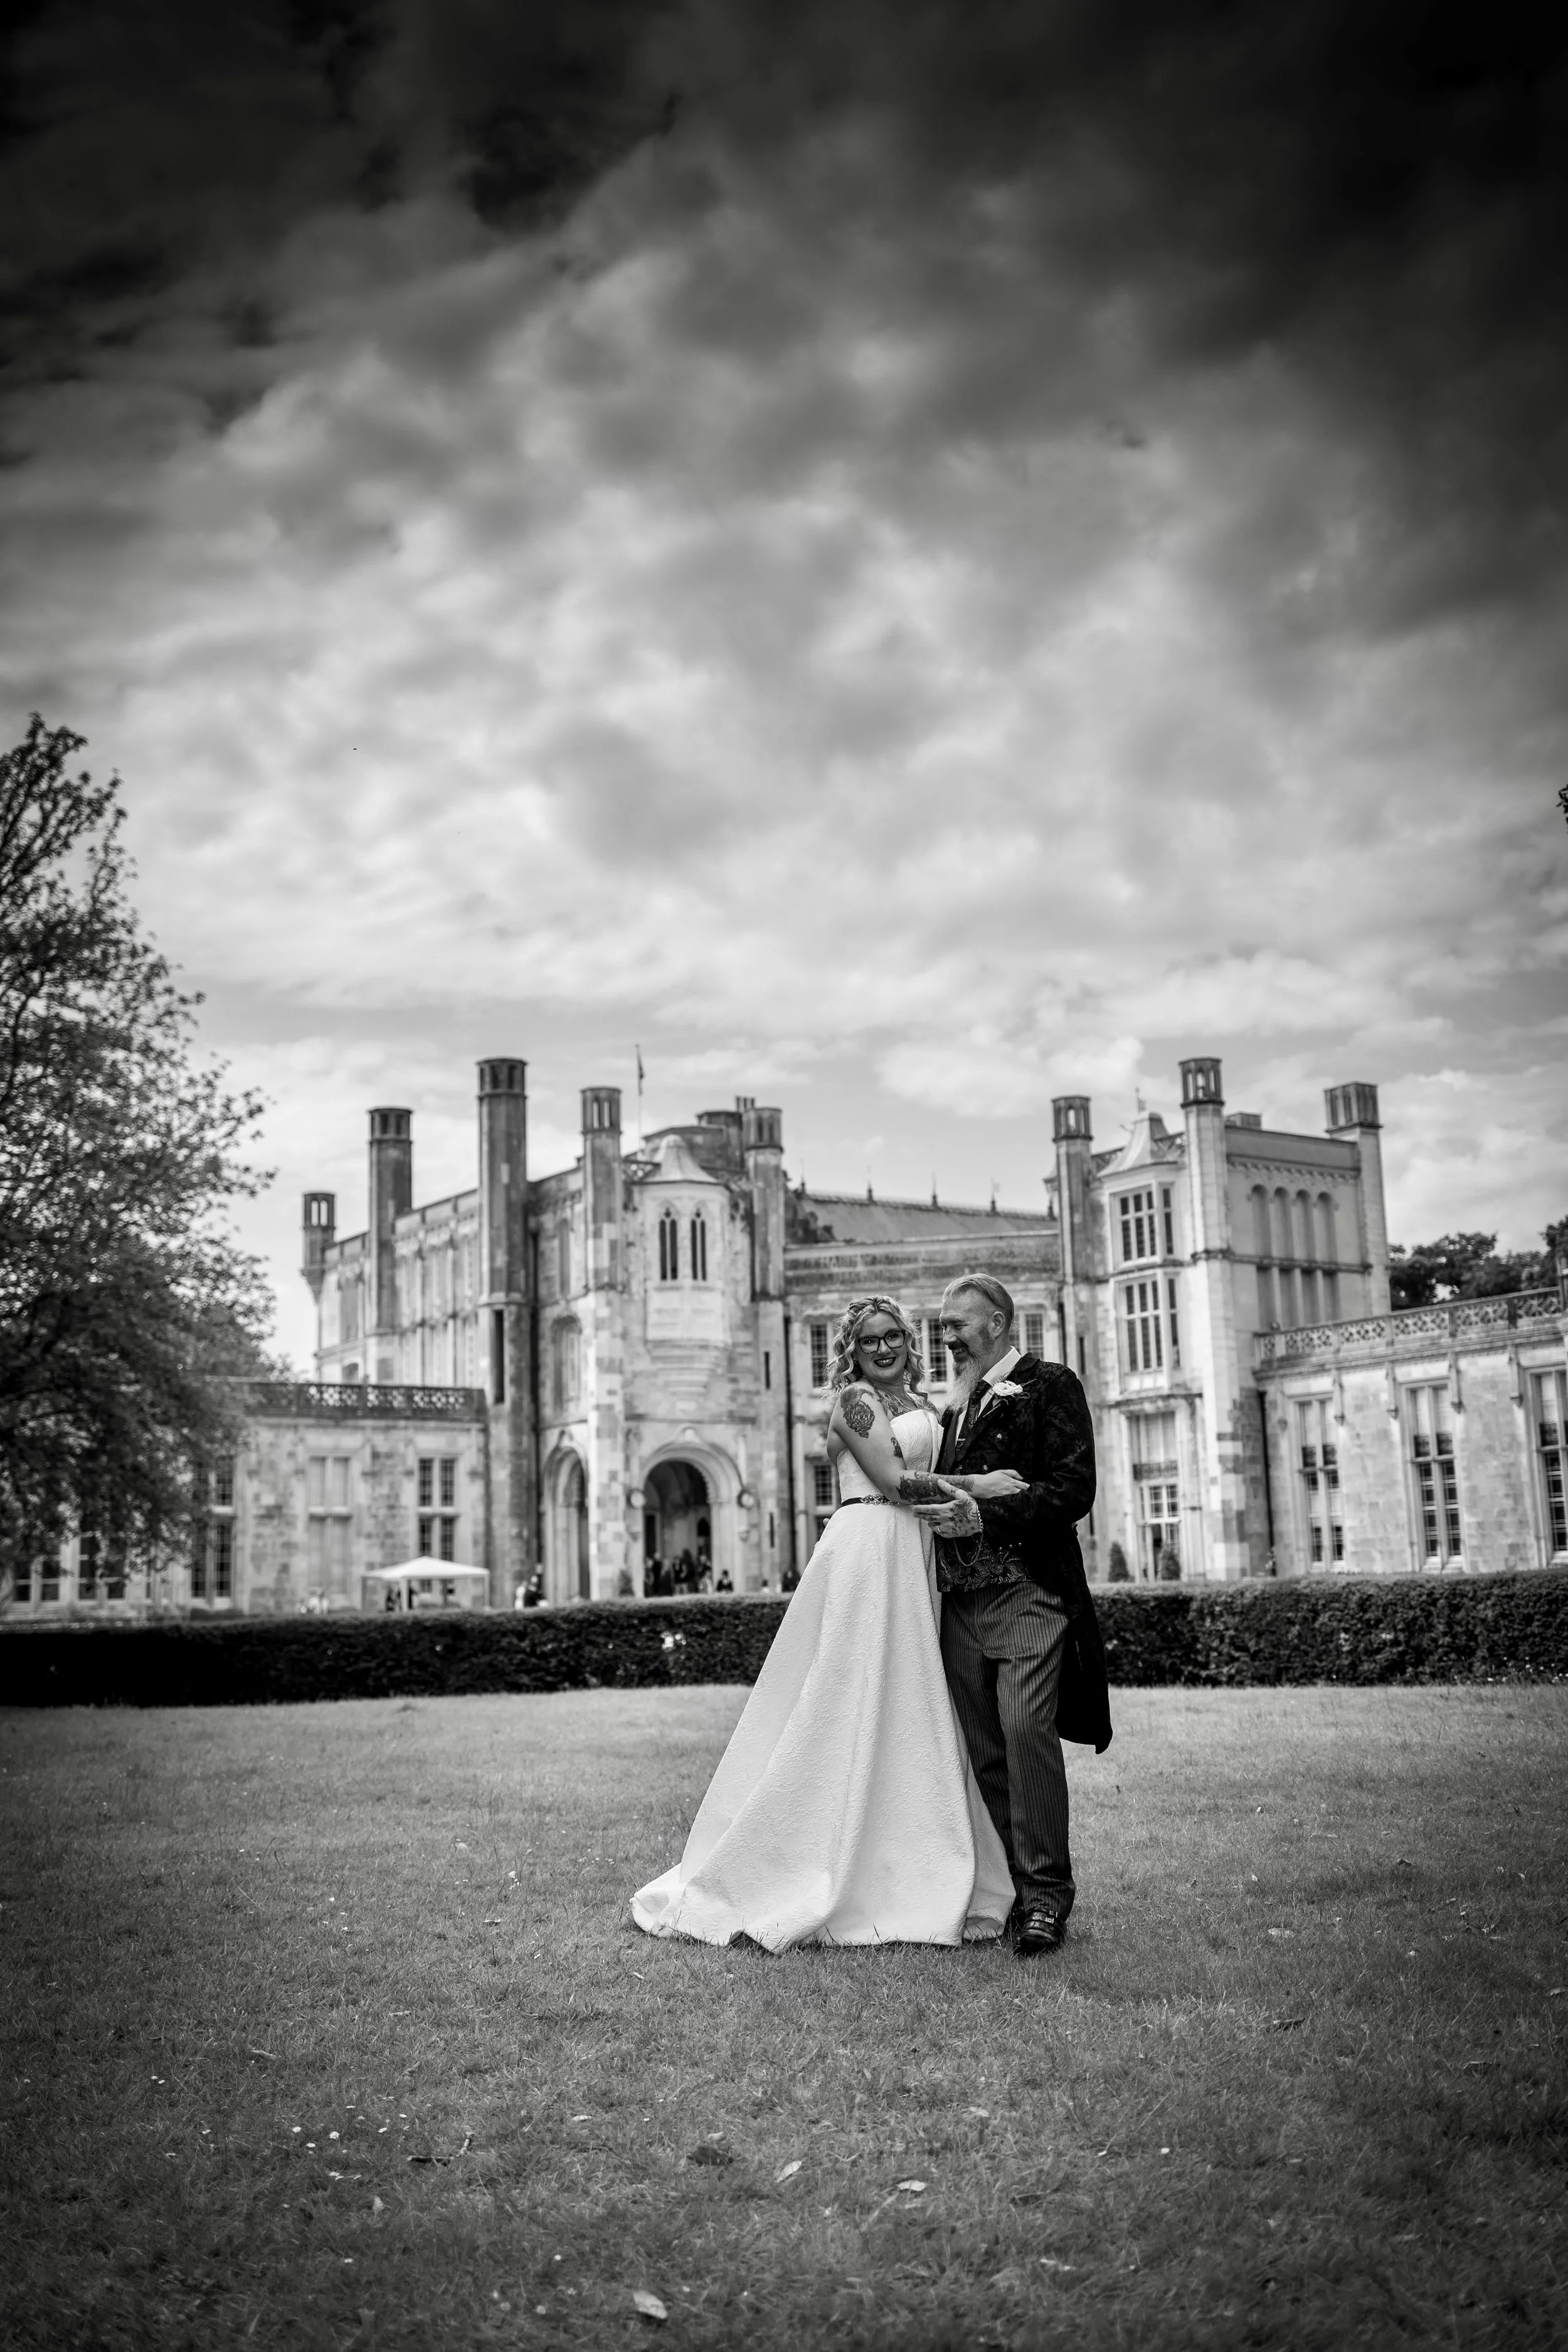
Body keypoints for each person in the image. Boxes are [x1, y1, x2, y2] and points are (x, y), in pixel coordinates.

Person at [630, 1296, 1016, 1950]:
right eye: (871, 1340)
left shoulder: (922, 1402)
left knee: (915, 1701)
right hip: (869, 1543)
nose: (886, 1347)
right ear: (853, 1350)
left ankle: (920, 1858)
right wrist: (982, 1486)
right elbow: (894, 1484)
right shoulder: (856, 1404)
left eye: (895, 1335)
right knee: (847, 1696)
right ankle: (816, 1859)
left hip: (916, 1552)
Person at [911, 1273, 1110, 1958]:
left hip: (1028, 1591)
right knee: (983, 1750)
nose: (946, 1337)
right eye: (942, 1326)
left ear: (996, 1323)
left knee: (1027, 1732)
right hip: (957, 1602)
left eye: (956, 1325)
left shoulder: (1052, 1384)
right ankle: (1014, 1895)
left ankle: (1049, 1898)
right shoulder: (951, 1409)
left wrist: (983, 1512)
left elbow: (1072, 1489)